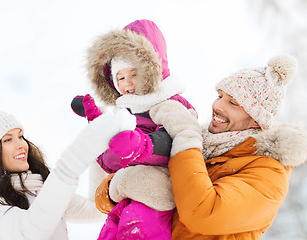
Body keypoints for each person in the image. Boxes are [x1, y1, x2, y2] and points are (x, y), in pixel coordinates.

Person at [95, 55, 307, 239]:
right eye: (220, 96)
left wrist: (185, 139)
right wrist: (120, 185)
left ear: (256, 121)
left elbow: (203, 212)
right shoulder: (202, 145)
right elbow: (105, 201)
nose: (218, 106)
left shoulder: (269, 175)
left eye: (233, 103)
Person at [71, 19, 196, 240]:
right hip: (126, 194)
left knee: (137, 231)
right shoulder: (126, 114)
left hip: (157, 196)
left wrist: (141, 146)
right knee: (109, 233)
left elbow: (180, 142)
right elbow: (110, 162)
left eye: (134, 74)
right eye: (120, 77)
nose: (127, 84)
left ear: (151, 70)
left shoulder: (169, 103)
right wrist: (99, 127)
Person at [0, 104, 136, 240]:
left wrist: (98, 148)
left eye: (21, 136)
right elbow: (29, 232)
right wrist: (72, 162)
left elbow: (95, 210)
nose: (21, 145)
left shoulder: (37, 186)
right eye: (8, 140)